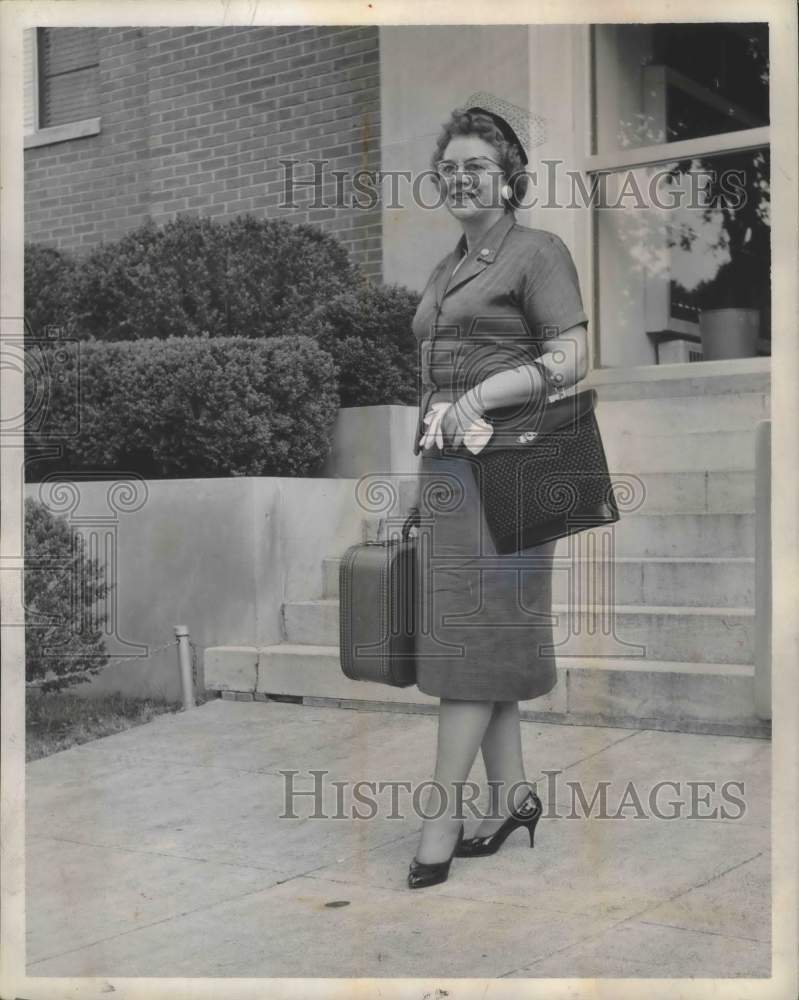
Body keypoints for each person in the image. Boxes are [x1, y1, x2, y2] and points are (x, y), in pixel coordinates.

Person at [405, 92, 590, 889]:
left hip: (513, 466)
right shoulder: (447, 266)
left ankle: (440, 815)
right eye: (448, 170)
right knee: (482, 643)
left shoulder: (537, 252)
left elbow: (574, 355)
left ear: (509, 178)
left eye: (475, 167)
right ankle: (511, 797)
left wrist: (481, 396)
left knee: (469, 648)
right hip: (449, 474)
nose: (459, 180)